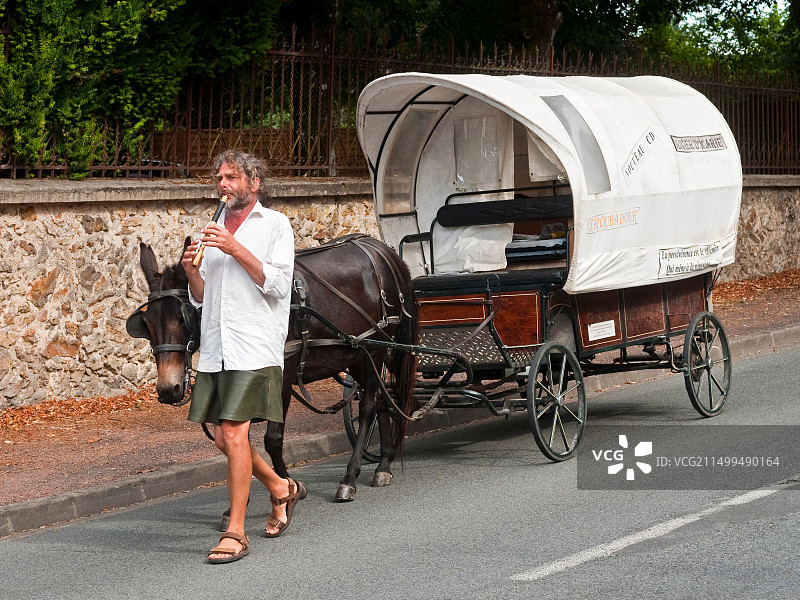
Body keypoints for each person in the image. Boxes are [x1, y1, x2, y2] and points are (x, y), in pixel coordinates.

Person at [182, 149, 303, 564]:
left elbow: (277, 285)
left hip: (254, 344)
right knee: (221, 436)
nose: (222, 184)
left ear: (254, 183)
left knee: (234, 434)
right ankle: (281, 488)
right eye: (220, 177)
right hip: (217, 348)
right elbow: (202, 299)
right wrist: (193, 273)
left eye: (231, 177)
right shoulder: (213, 226)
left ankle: (236, 531)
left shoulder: (275, 225)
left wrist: (234, 248)